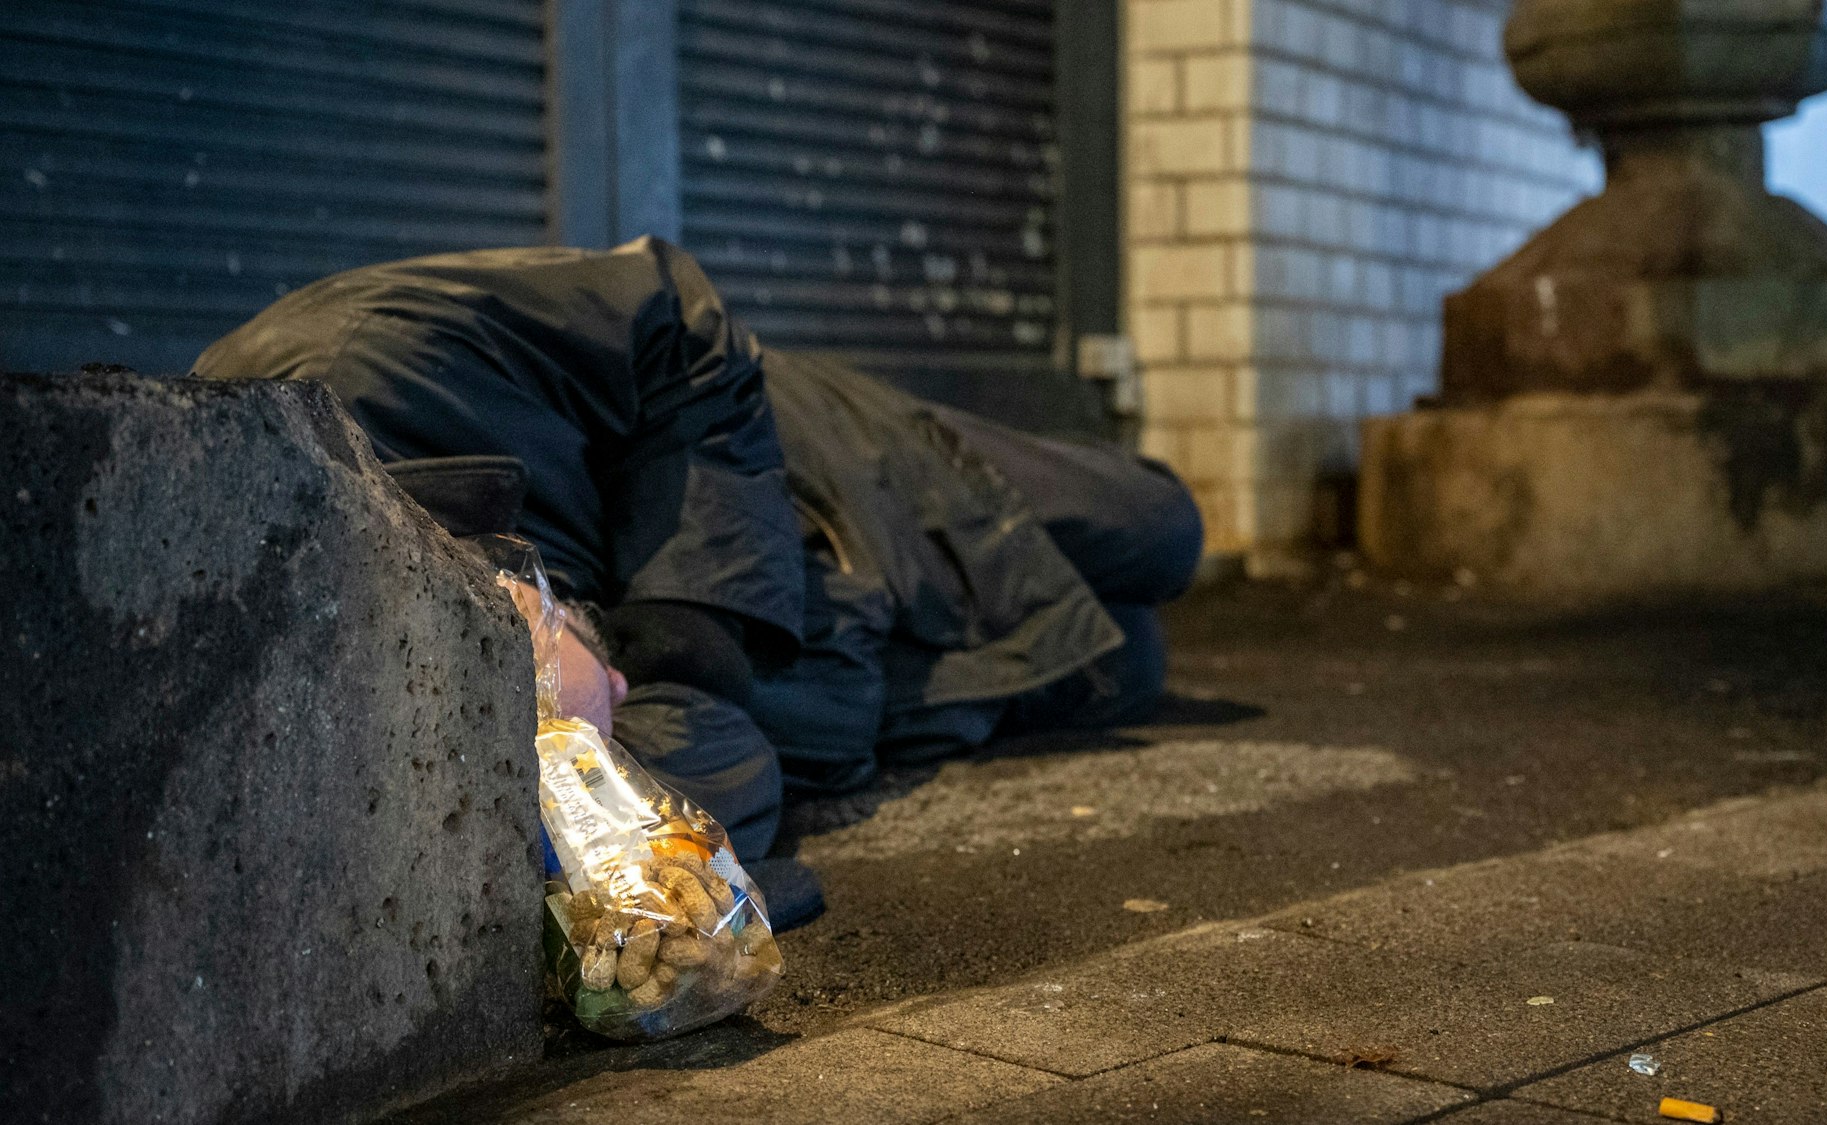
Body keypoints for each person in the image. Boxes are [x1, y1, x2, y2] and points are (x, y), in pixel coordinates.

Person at [195, 237, 1202, 878]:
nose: (623, 688)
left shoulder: (366, 362)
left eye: (593, 705)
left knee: (1162, 530)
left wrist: (686, 640)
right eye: (596, 730)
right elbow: (705, 801)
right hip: (864, 658)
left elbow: (673, 317)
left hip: (846, 470)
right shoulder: (410, 745)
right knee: (1134, 666)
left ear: (502, 600)